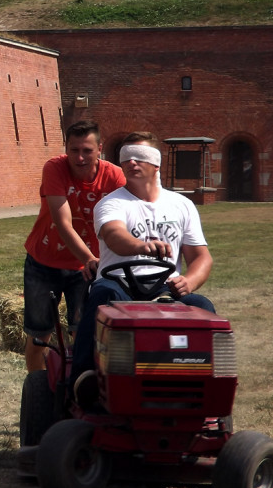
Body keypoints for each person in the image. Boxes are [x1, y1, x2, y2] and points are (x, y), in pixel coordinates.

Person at [70, 132, 216, 402]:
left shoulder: (182, 205)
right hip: (119, 285)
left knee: (202, 307)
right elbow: (114, 235)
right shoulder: (111, 203)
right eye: (126, 158)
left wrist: (190, 281)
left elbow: (201, 257)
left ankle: (202, 380)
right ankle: (84, 377)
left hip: (164, 288)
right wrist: (140, 246)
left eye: (140, 157)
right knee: (103, 295)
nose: (131, 163)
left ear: (156, 163)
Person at [22, 120, 126, 373]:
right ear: (66, 148)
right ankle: (40, 388)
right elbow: (62, 222)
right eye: (74, 150)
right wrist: (91, 258)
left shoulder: (113, 176)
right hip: (45, 262)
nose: (79, 157)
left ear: (100, 148)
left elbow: (127, 218)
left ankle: (76, 386)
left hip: (85, 269)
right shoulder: (55, 168)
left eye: (87, 150)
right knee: (39, 335)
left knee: (84, 334)